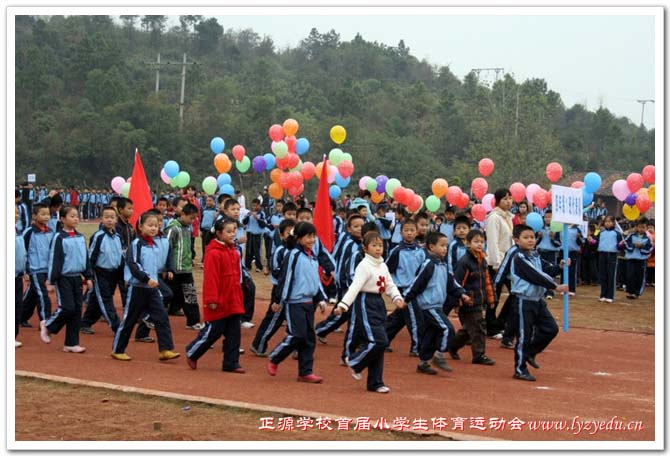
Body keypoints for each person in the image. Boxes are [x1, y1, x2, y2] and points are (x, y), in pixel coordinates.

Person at [334, 232, 405, 394]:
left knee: (380, 344)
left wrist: (397, 298)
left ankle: (375, 382)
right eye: (374, 245)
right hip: (365, 302)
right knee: (379, 341)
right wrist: (343, 305)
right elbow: (355, 287)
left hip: (378, 303)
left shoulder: (383, 265)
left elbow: (390, 284)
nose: (378, 248)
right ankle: (354, 361)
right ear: (365, 248)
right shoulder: (364, 266)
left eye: (380, 245)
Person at [111, 211, 180, 362]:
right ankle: (118, 349)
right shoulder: (136, 244)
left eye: (156, 225)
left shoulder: (154, 245)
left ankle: (165, 349)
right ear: (140, 227)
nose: (154, 228)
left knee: (162, 317)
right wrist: (146, 278)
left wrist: (166, 271)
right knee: (129, 319)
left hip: (152, 289)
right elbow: (134, 264)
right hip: (137, 288)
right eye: (150, 225)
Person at [267, 222, 327, 383]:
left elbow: (316, 280)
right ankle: (275, 357)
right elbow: (285, 278)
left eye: (314, 236)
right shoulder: (293, 255)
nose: (312, 239)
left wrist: (320, 298)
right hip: (294, 303)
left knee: (309, 338)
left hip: (309, 303)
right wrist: (278, 300)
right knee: (297, 334)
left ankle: (305, 372)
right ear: (299, 238)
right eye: (308, 236)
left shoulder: (312, 257)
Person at [404, 232, 470, 375]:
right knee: (447, 329)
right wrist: (405, 298)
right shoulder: (428, 264)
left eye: (446, 246)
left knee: (431, 334)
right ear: (431, 247)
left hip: (437, 305)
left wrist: (462, 294)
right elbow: (417, 283)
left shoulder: (443, 265)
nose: (445, 249)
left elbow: (451, 283)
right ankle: (439, 355)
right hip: (428, 305)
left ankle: (423, 363)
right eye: (442, 245)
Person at [185, 218, 245, 373]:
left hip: (233, 299)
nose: (233, 234)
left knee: (234, 333)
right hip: (219, 300)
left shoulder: (234, 251)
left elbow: (237, 275)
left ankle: (231, 362)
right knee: (214, 331)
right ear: (218, 233)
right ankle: (193, 351)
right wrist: (212, 299)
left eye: (234, 230)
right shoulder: (213, 253)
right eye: (229, 231)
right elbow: (211, 278)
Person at [509, 224, 569, 381]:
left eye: (532, 237)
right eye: (526, 238)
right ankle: (520, 369)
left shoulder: (535, 255)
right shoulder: (519, 258)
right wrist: (555, 286)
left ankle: (531, 352)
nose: (530, 240)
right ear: (516, 240)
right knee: (524, 335)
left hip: (537, 301)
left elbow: (546, 270)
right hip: (524, 301)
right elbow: (535, 275)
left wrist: (560, 266)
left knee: (551, 328)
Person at [39, 206, 93, 353]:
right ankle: (48, 325)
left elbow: (85, 258)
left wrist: (88, 276)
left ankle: (71, 343)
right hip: (63, 278)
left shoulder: (80, 237)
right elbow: (54, 259)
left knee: (76, 310)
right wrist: (51, 280)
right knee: (67, 307)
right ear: (62, 219)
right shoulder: (59, 237)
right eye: (72, 216)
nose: (75, 219)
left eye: (77, 216)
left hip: (77, 278)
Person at [450, 229, 496, 366]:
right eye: (476, 241)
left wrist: (491, 298)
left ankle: (451, 346)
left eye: (482, 241)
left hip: (478, 300)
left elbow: (487, 280)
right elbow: (457, 283)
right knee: (478, 327)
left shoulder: (483, 260)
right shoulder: (464, 262)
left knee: (469, 329)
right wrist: (458, 301)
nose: (479, 244)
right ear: (468, 243)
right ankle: (479, 354)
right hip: (468, 301)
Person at [251, 219, 296, 356]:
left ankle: (296, 347)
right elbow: (277, 271)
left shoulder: (295, 251)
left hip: (293, 290)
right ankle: (258, 344)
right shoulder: (281, 250)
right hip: (280, 290)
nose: (292, 236)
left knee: (295, 319)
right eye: (289, 233)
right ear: (281, 235)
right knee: (274, 319)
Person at [80, 207, 124, 335]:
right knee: (105, 299)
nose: (109, 220)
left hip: (113, 273)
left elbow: (119, 256)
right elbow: (91, 256)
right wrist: (89, 274)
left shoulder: (117, 237)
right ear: (102, 219)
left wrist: (122, 273)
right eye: (106, 217)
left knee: (97, 299)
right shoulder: (98, 236)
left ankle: (86, 322)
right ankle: (117, 326)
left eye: (112, 217)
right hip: (100, 272)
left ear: (116, 219)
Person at [384, 218, 425, 356]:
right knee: (414, 318)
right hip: (404, 289)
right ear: (401, 232)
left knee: (399, 319)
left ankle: (382, 340)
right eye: (406, 230)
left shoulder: (420, 251)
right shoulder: (397, 251)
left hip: (416, 289)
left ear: (416, 232)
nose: (409, 233)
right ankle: (416, 347)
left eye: (412, 230)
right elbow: (386, 269)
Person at [165, 203, 203, 329]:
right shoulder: (173, 229)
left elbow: (187, 246)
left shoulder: (188, 228)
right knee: (166, 295)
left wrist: (190, 257)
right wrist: (167, 267)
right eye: (191, 218)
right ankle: (152, 318)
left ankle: (193, 321)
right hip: (174, 269)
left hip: (185, 269)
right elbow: (167, 248)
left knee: (190, 295)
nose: (193, 221)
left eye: (195, 218)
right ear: (183, 214)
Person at [485, 189, 515, 339]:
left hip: (508, 262)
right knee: (493, 297)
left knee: (515, 293)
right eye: (505, 199)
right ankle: (491, 327)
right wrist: (496, 263)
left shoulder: (508, 217)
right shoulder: (494, 217)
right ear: (497, 201)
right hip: (496, 263)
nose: (508, 201)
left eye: (510, 198)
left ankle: (499, 323)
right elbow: (493, 242)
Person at [19, 203, 55, 327]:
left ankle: (21, 316)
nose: (46, 217)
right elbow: (21, 251)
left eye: (48, 214)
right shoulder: (29, 232)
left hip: (46, 268)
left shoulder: (51, 232)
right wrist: (25, 269)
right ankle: (46, 322)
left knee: (32, 294)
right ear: (34, 216)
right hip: (34, 269)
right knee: (42, 295)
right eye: (43, 214)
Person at [623, 217, 653, 299]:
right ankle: (630, 291)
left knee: (639, 276)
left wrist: (641, 247)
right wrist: (633, 246)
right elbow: (625, 244)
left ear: (646, 228)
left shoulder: (647, 238)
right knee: (630, 275)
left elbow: (650, 249)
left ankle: (637, 292)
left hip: (641, 260)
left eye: (643, 227)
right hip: (631, 259)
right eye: (639, 227)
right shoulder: (631, 236)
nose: (641, 229)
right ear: (637, 227)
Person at [596, 215, 623, 303]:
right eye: (606, 221)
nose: (607, 223)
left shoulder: (617, 233)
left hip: (612, 255)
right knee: (603, 275)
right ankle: (603, 294)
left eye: (609, 221)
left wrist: (620, 245)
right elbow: (597, 243)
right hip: (602, 254)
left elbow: (620, 246)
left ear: (613, 223)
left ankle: (610, 295)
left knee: (611, 275)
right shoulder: (601, 233)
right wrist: (591, 241)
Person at [536, 210, 561, 299]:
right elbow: (534, 242)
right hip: (540, 252)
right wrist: (538, 237)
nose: (547, 219)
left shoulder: (556, 229)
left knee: (551, 271)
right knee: (540, 271)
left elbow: (559, 243)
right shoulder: (539, 228)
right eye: (546, 217)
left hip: (551, 252)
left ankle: (549, 291)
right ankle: (540, 290)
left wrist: (553, 238)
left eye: (549, 217)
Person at [243, 198, 268, 272]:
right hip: (250, 234)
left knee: (257, 250)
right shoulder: (249, 213)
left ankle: (259, 266)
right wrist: (247, 216)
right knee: (248, 250)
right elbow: (244, 222)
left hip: (258, 234)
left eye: (256, 206)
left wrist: (257, 218)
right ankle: (248, 265)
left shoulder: (262, 213)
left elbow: (263, 225)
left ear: (259, 206)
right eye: (253, 206)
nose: (254, 207)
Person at [556, 224, 583, 296]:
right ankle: (563, 288)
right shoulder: (561, 228)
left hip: (573, 252)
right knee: (563, 269)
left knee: (572, 270)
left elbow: (581, 242)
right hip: (563, 251)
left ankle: (571, 289)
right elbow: (557, 240)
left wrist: (578, 237)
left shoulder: (577, 229)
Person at [15, 206, 27, 347]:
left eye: (17, 213)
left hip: (17, 275)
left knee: (17, 306)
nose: (15, 215)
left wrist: (24, 270)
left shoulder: (18, 231)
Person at [199, 195, 217, 261]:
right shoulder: (204, 210)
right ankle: (204, 257)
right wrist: (200, 230)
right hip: (204, 230)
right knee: (204, 244)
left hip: (211, 230)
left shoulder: (216, 211)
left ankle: (210, 258)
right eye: (207, 201)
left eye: (210, 201)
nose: (208, 202)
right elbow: (201, 220)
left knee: (210, 244)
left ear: (214, 201)